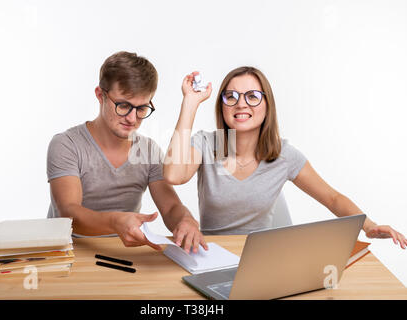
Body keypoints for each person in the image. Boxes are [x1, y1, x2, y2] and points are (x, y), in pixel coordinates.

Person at [163, 67, 406, 249]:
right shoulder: (206, 144)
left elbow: (332, 198)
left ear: (267, 104)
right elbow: (173, 175)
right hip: (210, 254)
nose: (241, 104)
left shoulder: (283, 155)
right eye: (231, 97)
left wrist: (369, 226)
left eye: (252, 96)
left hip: (259, 259)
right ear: (222, 105)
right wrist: (190, 103)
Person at [47, 51, 207, 253]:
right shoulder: (67, 144)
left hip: (121, 253)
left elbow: (171, 207)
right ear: (100, 95)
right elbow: (68, 214)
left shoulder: (147, 150)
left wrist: (186, 220)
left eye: (141, 108)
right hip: (68, 252)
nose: (132, 118)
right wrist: (115, 221)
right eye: (123, 106)